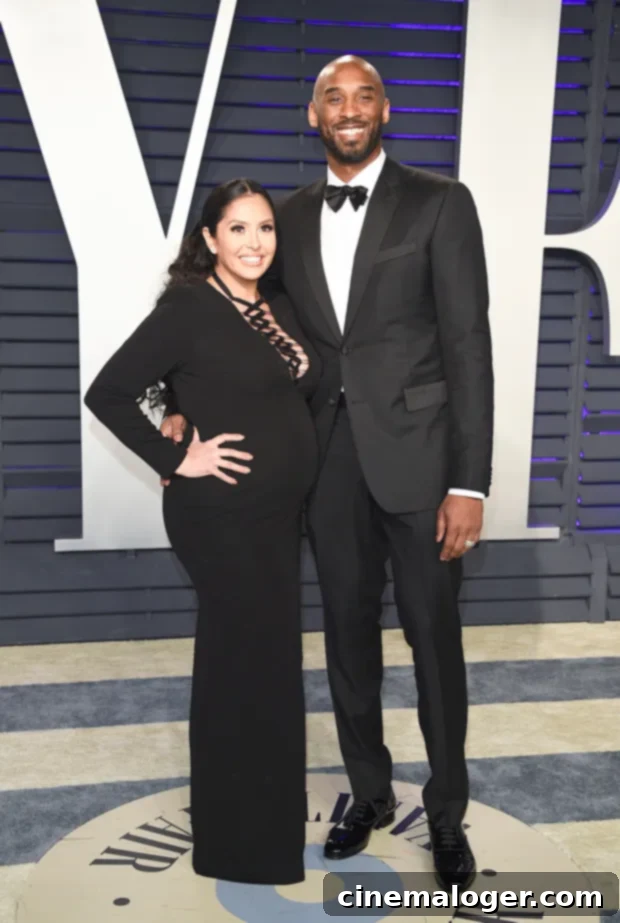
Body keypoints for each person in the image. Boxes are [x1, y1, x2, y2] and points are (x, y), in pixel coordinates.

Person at [163, 55, 494, 889]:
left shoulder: (441, 202)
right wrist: (177, 402)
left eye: (365, 96)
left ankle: (447, 813)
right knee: (346, 641)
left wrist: (471, 481)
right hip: (324, 464)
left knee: (433, 642)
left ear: (386, 110)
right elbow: (230, 305)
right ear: (313, 116)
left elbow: (468, 346)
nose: (349, 110)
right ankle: (371, 792)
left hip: (423, 466)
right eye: (333, 99)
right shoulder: (286, 216)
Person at [83, 179, 319, 885]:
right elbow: (110, 390)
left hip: (276, 521)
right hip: (220, 519)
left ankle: (264, 830)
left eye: (265, 229)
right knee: (241, 673)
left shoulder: (276, 304)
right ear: (210, 239)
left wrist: (179, 407)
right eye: (238, 229)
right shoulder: (187, 305)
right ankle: (237, 845)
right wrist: (176, 452)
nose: (254, 242)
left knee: (269, 671)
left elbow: (213, 381)